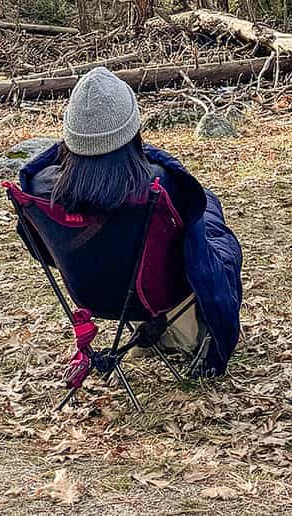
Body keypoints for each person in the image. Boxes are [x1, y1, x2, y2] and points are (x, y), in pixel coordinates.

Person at [19, 67, 244, 374]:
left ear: (70, 134)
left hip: (89, 293)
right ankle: (195, 330)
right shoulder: (161, 187)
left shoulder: (38, 188)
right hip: (154, 293)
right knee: (210, 216)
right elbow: (198, 256)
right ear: (132, 130)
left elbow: (40, 250)